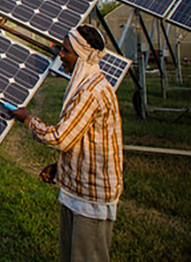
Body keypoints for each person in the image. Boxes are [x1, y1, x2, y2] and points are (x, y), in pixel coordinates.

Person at [11, 25, 123, 262]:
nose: (60, 55)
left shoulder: (91, 92)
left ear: (81, 55)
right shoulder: (85, 86)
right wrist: (59, 167)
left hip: (91, 195)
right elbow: (81, 139)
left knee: (86, 258)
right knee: (70, 255)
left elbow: (61, 138)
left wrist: (28, 120)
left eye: (66, 50)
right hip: (77, 190)